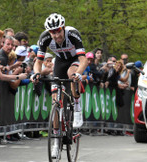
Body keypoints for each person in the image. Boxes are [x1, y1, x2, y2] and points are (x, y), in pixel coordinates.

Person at [31, 13, 87, 157]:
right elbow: (38, 61)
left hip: (74, 60)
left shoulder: (73, 34)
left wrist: (79, 74)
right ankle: (56, 140)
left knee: (71, 73)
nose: (56, 35)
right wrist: (36, 73)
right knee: (55, 99)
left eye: (58, 31)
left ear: (63, 28)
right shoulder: (44, 38)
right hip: (60, 62)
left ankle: (77, 105)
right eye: (52, 32)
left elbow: (83, 60)